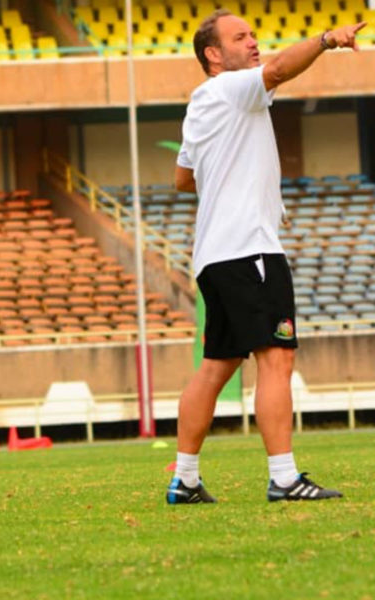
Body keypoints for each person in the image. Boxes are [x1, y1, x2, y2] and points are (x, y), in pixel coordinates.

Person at [167, 12, 365, 504]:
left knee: (216, 366)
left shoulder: (202, 102)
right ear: (214, 55)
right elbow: (277, 71)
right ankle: (283, 478)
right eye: (240, 37)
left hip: (216, 254)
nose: (253, 43)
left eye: (254, 34)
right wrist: (325, 40)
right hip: (249, 249)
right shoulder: (231, 88)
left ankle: (185, 480)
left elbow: (182, 179)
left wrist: (246, 187)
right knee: (277, 358)